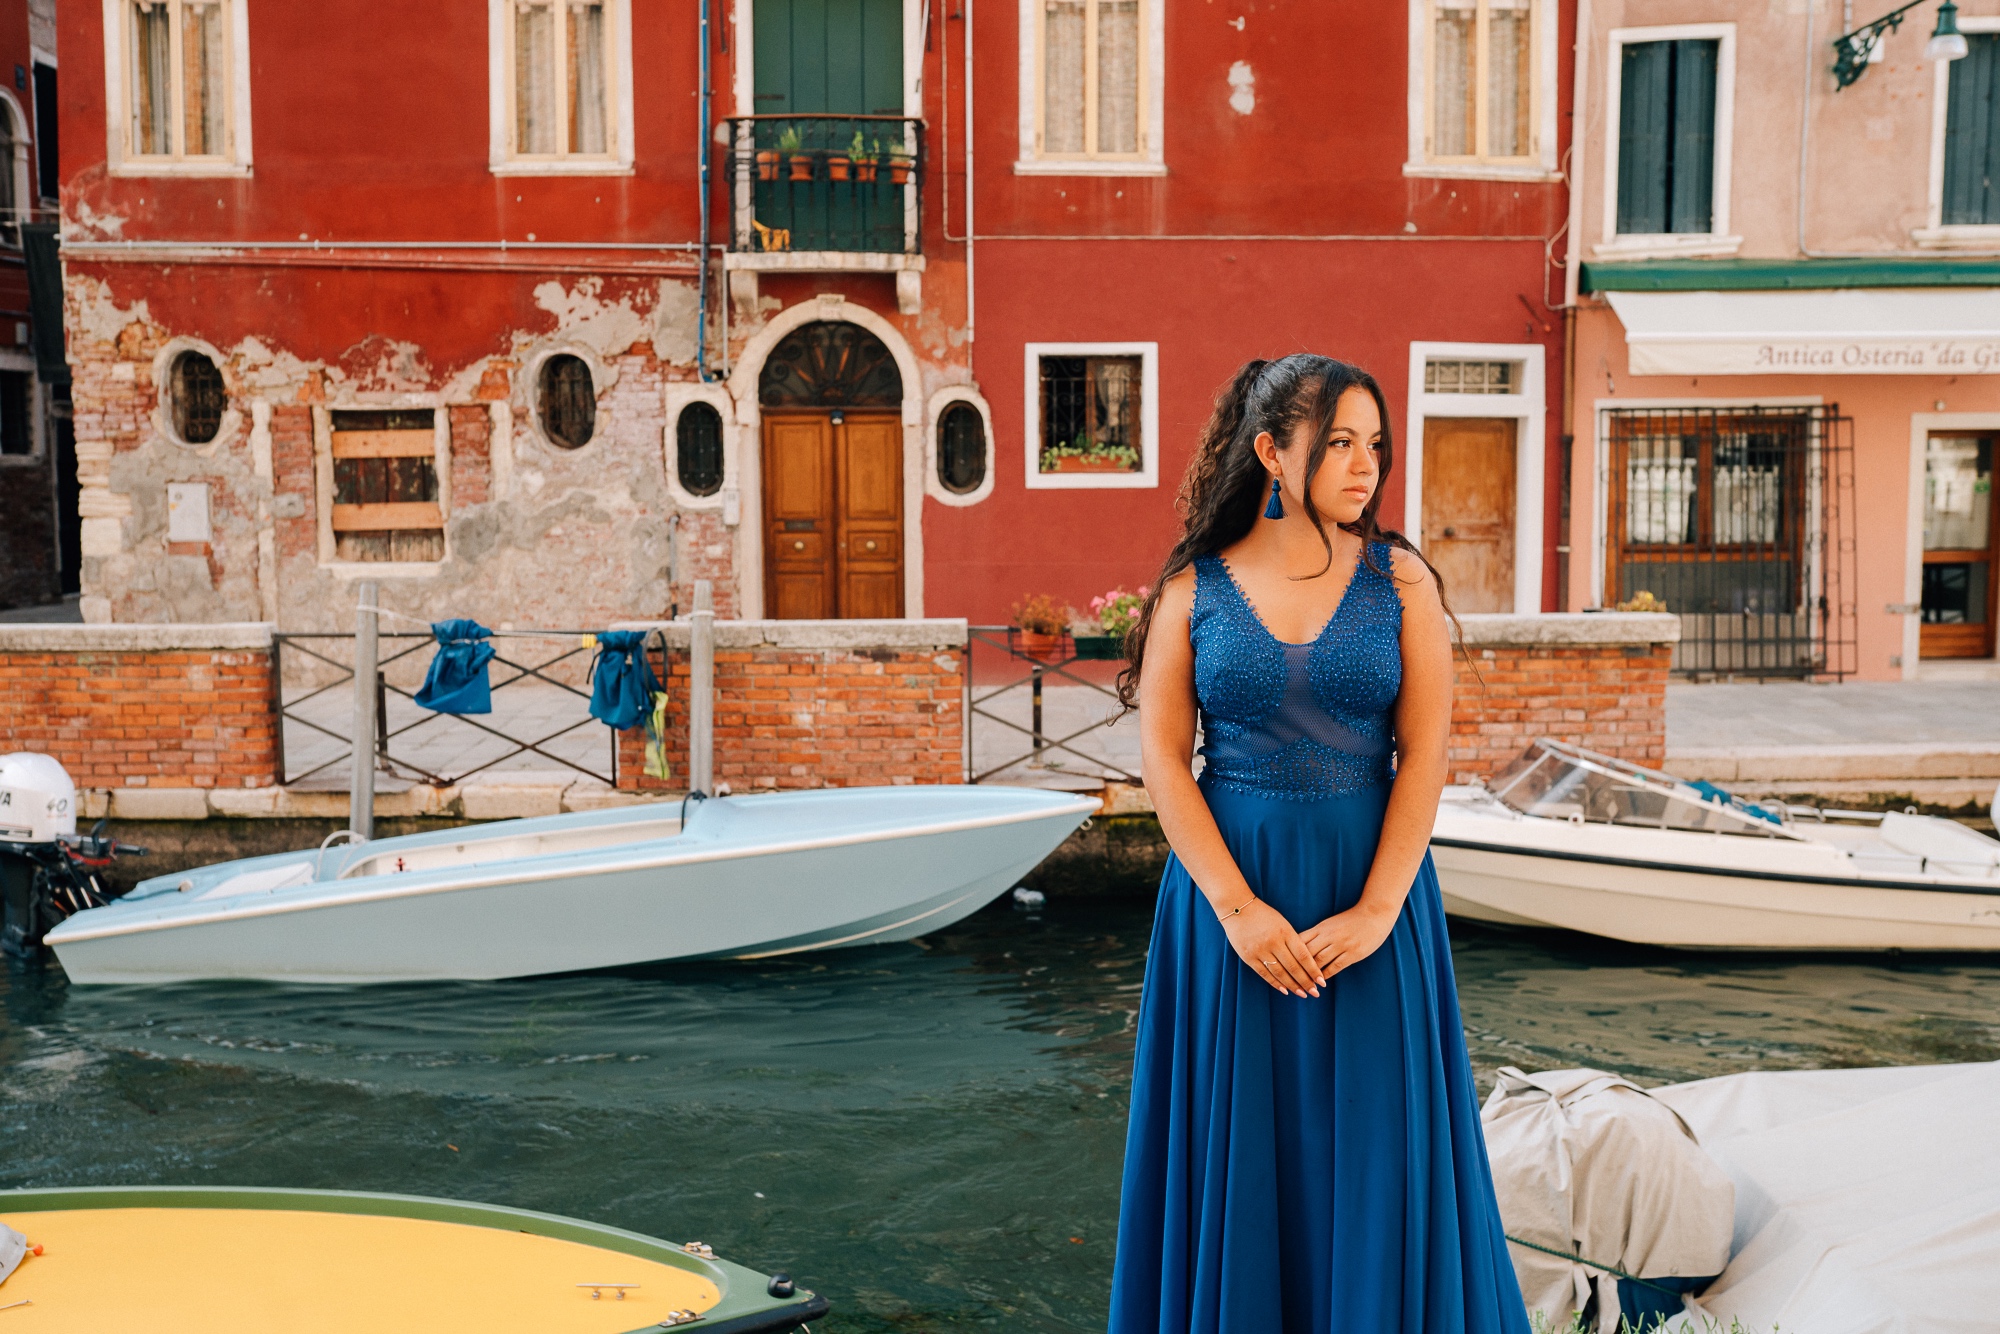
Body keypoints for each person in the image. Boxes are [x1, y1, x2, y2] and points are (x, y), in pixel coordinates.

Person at [1106, 355, 1527, 1333]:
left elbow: (1424, 750)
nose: (1362, 464)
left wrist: (1379, 908)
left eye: (1372, 443)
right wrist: (1238, 911)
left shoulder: (1400, 579)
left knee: (1378, 1149)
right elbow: (1164, 760)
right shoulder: (1191, 588)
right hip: (1227, 911)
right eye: (1337, 441)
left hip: (1372, 908)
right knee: (1235, 1151)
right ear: (1269, 452)